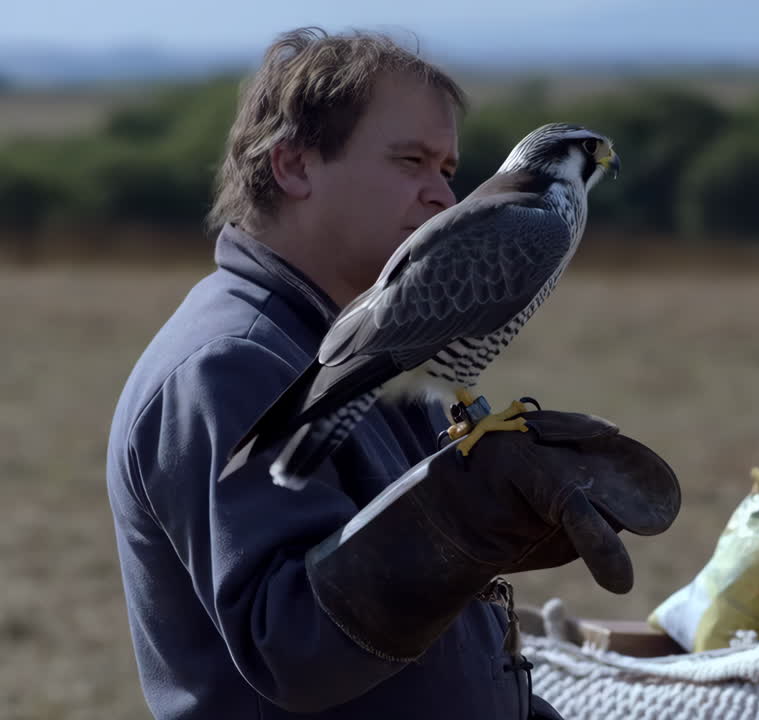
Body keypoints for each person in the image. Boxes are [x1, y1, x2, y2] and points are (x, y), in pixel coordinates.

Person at [105, 27, 679, 719]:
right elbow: (290, 651)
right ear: (293, 166)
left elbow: (439, 664)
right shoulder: (229, 364)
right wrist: (457, 529)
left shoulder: (382, 342)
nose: (442, 195)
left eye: (447, 169)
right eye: (411, 161)